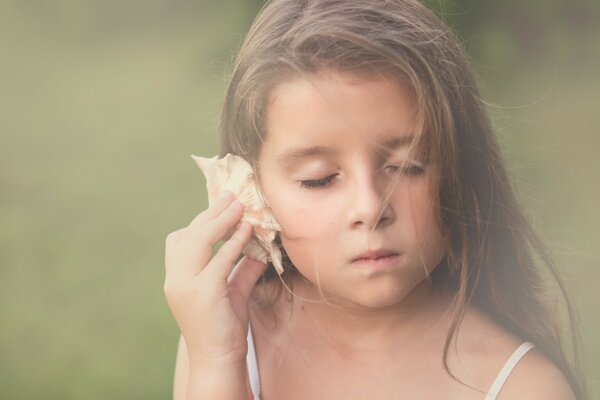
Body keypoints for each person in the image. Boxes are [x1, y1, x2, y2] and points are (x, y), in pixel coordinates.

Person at [164, 0, 587, 398]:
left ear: (461, 168)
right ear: (250, 188)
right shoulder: (226, 337)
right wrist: (218, 363)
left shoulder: (522, 386)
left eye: (407, 166)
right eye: (320, 179)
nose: (370, 208)